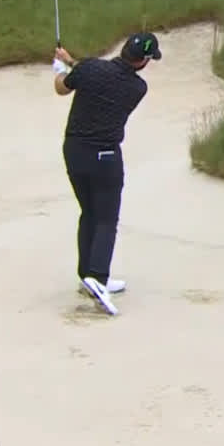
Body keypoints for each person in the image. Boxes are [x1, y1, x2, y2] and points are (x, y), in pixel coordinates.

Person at [51, 31, 162, 315]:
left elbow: (62, 87)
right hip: (105, 157)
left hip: (74, 152)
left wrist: (62, 67)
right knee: (106, 219)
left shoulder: (90, 68)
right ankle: (99, 277)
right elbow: (103, 78)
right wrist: (72, 63)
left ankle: (86, 275)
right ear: (143, 61)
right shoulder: (138, 88)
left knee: (88, 212)